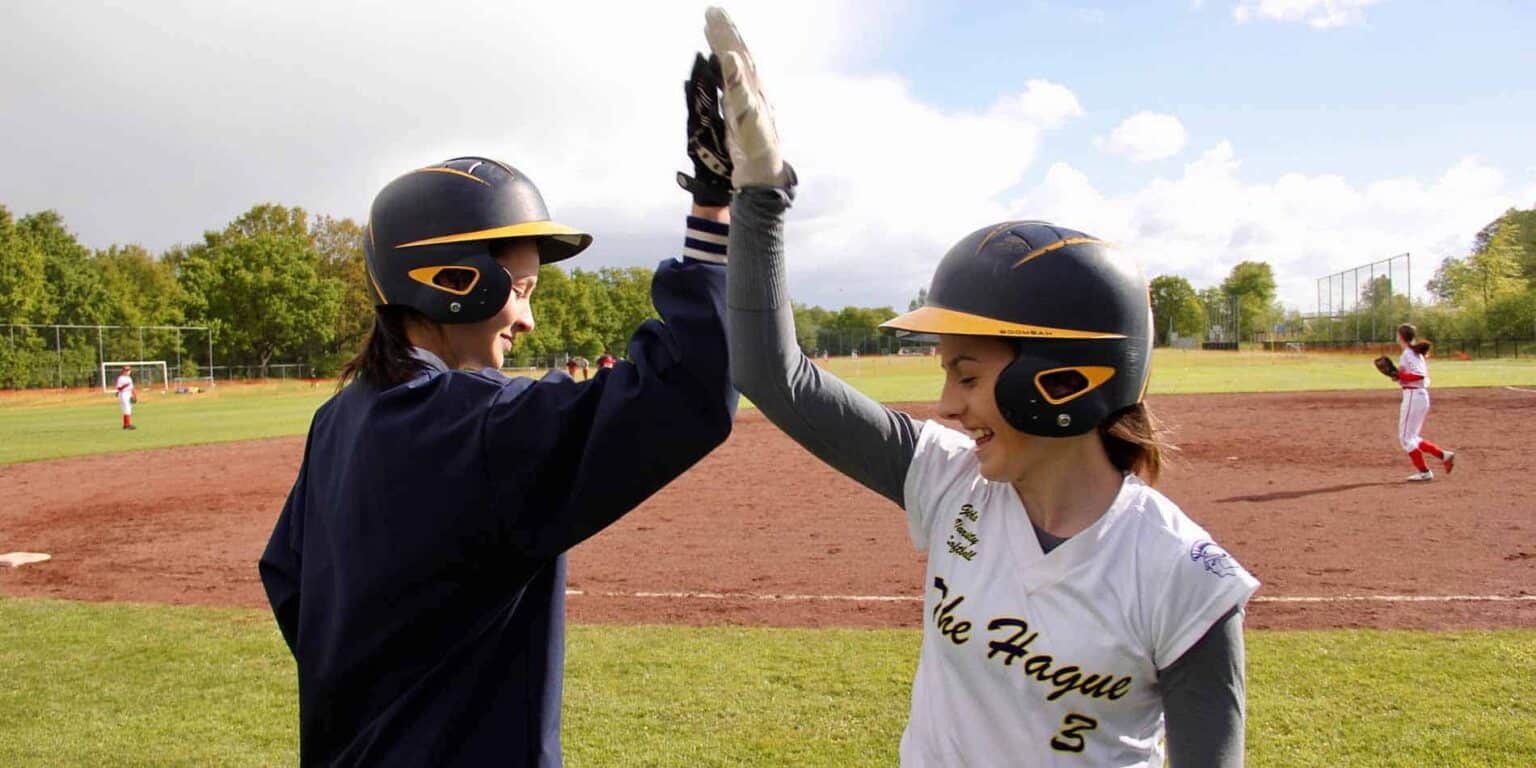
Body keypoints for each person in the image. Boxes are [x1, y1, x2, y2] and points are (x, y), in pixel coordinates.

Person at [702, 8, 1258, 766]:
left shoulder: (1180, 576)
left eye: (968, 374)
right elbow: (775, 376)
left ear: (1061, 381)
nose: (946, 406)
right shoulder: (950, 481)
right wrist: (760, 195)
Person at [258, 146, 736, 763]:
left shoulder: (336, 421)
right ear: (454, 281)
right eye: (521, 289)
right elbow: (692, 386)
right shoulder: (480, 424)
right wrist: (714, 207)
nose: (528, 320)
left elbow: (289, 580)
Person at [1391, 323, 1454, 482]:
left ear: (1401, 336)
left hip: (1413, 396)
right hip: (1419, 396)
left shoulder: (1408, 353)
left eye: (1397, 334)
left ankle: (1424, 472)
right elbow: (1411, 375)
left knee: (1406, 439)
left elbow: (1418, 376)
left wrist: (1401, 377)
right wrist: (1398, 376)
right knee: (1412, 437)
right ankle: (1443, 455)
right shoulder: (1413, 352)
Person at [115, 365, 137, 430]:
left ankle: (125, 425)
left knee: (128, 409)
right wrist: (125, 385)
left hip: (129, 394)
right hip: (123, 394)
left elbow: (132, 388)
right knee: (127, 409)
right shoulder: (121, 378)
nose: (128, 371)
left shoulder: (129, 378)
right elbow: (119, 388)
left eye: (129, 370)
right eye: (126, 370)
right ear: (123, 371)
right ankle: (128, 425)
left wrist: (135, 395)